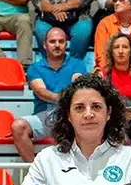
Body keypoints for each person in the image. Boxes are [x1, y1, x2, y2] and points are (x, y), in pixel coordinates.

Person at [11, 26, 85, 162]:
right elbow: (41, 92)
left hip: (71, 114)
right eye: (52, 42)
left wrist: (65, 103)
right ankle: (34, 171)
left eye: (61, 41)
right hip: (45, 115)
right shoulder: (35, 67)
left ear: (66, 44)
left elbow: (77, 86)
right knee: (18, 126)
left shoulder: (77, 64)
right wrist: (63, 98)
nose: (57, 45)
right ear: (45, 45)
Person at [98, 33, 131, 153]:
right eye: (117, 47)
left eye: (125, 47)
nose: (121, 51)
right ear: (111, 51)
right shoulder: (103, 74)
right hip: (109, 117)